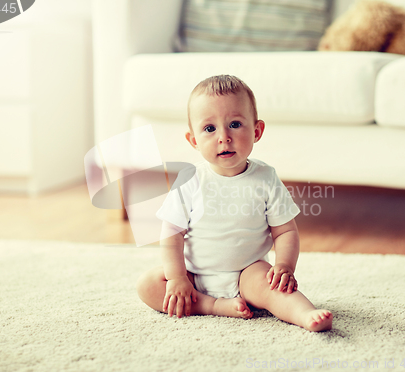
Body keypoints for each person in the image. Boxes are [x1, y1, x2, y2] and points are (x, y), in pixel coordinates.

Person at [137, 75, 333, 332]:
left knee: (272, 287)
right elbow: (172, 234)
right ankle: (212, 306)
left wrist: (284, 266)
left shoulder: (266, 178)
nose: (224, 137)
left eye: (235, 124)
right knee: (148, 285)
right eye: (210, 129)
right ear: (194, 140)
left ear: (257, 131)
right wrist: (177, 278)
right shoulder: (190, 180)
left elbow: (285, 230)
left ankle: (306, 314)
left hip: (247, 273)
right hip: (193, 276)